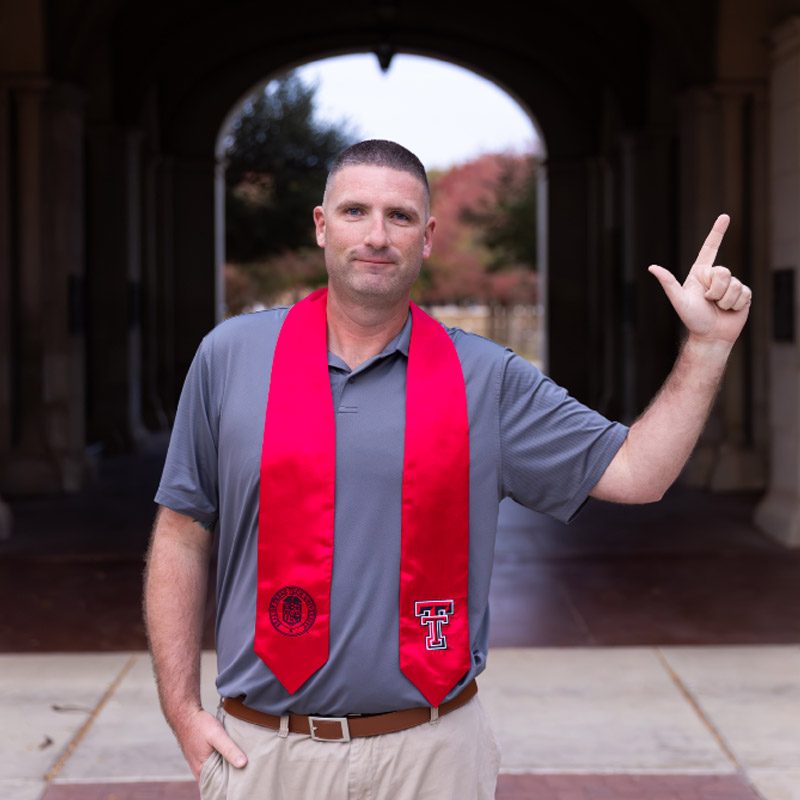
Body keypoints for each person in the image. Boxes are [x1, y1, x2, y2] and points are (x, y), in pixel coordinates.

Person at [143, 139, 751, 800]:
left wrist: (707, 348)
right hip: (265, 754)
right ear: (321, 226)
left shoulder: (487, 379)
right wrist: (180, 708)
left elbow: (639, 472)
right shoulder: (231, 357)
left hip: (434, 757)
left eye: (400, 217)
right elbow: (181, 532)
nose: (377, 235)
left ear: (428, 237)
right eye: (355, 212)